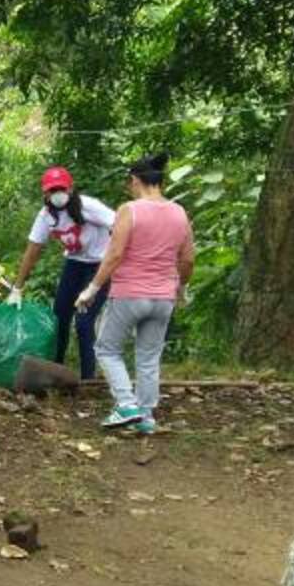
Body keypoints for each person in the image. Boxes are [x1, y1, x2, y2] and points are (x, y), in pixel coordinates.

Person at [76, 153, 195, 435]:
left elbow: (115, 254)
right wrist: (181, 287)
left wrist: (92, 289)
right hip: (164, 297)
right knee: (149, 357)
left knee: (106, 349)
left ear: (135, 180)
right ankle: (146, 416)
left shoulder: (129, 210)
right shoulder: (179, 212)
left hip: (129, 294)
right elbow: (188, 259)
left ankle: (126, 404)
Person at [10, 167, 116, 379]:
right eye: (52, 190)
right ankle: (55, 372)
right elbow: (33, 250)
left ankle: (88, 379)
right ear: (45, 193)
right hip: (74, 264)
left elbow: (121, 226)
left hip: (99, 265)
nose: (57, 194)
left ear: (70, 188)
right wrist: (17, 287)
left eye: (61, 189)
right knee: (59, 318)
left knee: (84, 322)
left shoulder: (89, 206)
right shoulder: (46, 216)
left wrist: (118, 256)